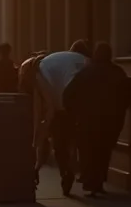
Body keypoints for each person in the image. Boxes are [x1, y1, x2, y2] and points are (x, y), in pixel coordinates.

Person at [64, 42, 131, 197]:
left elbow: (68, 94)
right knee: (104, 152)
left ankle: (90, 181)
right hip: (111, 121)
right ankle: (99, 182)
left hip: (87, 120)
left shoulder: (85, 73)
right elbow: (127, 95)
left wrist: (74, 113)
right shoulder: (118, 72)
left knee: (88, 151)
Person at [32, 40, 92, 195]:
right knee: (74, 140)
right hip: (81, 105)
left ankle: (66, 170)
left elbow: (47, 108)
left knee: (59, 143)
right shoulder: (85, 60)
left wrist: (38, 136)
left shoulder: (41, 68)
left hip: (61, 108)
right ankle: (74, 167)